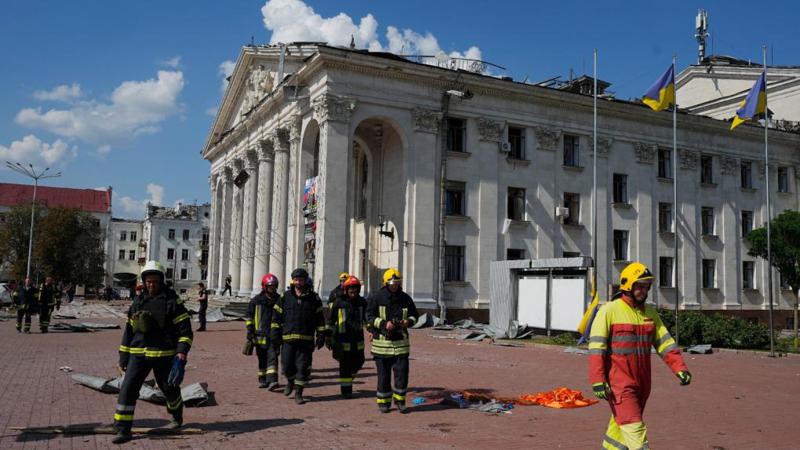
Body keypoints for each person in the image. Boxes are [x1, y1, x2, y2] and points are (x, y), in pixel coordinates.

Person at [588, 262, 691, 450]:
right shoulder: (609, 311)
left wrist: (680, 368)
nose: (643, 291)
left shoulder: (650, 313)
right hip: (620, 385)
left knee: (620, 429)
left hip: (643, 384)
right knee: (635, 430)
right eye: (639, 286)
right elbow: (597, 348)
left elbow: (665, 343)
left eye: (646, 287)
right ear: (627, 285)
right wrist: (597, 379)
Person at [112, 261, 193, 444]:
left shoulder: (173, 302)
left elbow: (186, 331)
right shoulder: (138, 301)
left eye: (155, 281)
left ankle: (176, 417)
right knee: (127, 389)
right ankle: (123, 429)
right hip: (138, 355)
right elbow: (129, 331)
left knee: (171, 391)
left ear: (161, 281)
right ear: (144, 281)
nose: (151, 285)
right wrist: (123, 356)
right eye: (148, 281)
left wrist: (181, 354)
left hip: (164, 357)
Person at [366, 268, 419, 413]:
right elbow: (369, 317)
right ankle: (383, 402)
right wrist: (384, 324)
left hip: (401, 345)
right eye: (391, 283)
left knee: (401, 376)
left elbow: (415, 316)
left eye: (396, 283)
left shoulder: (405, 298)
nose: (394, 285)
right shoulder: (377, 297)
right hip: (382, 346)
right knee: (383, 376)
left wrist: (407, 322)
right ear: (386, 282)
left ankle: (400, 401)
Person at [271, 268, 326, 404]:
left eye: (301, 280)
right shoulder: (285, 297)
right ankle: (290, 381)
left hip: (306, 340)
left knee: (302, 367)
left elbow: (320, 319)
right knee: (287, 366)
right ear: (293, 280)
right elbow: (276, 317)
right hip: (288, 339)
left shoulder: (314, 298)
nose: (298, 282)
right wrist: (275, 334)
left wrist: (321, 334)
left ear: (305, 280)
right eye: (296, 280)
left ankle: (299, 393)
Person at [327, 276, 367, 399]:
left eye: (355, 288)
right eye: (350, 288)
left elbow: (367, 318)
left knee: (360, 361)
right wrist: (328, 336)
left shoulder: (362, 302)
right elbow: (330, 320)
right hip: (342, 340)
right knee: (344, 366)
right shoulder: (339, 303)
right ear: (346, 289)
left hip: (357, 340)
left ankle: (350, 376)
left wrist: (371, 330)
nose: (352, 290)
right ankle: (346, 391)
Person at [246, 273, 281, 390]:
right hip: (259, 335)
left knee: (273, 357)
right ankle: (263, 379)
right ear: (264, 287)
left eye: (274, 286)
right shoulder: (256, 301)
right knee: (262, 358)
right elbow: (249, 317)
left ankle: (273, 381)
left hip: (274, 335)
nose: (273, 288)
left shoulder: (279, 300)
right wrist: (250, 331)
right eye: (270, 286)